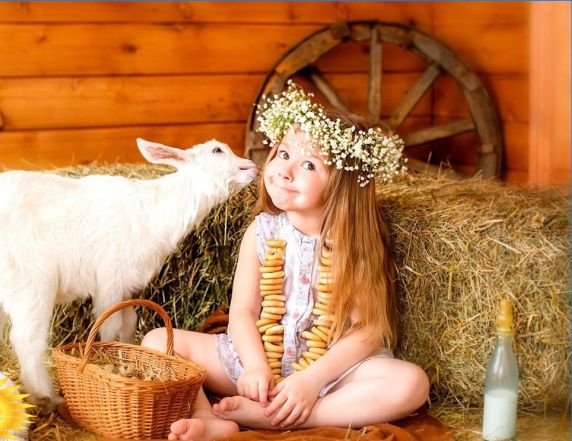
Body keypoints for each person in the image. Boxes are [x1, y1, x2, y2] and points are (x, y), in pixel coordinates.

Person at [141, 81, 430, 441]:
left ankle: (286, 417)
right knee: (157, 341)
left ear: (342, 183)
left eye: (308, 164)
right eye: (282, 154)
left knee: (411, 384)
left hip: (329, 373)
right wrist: (256, 367)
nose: (285, 170)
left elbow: (367, 332)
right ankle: (209, 417)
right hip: (253, 362)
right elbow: (243, 313)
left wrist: (310, 381)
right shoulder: (262, 233)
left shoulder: (355, 244)